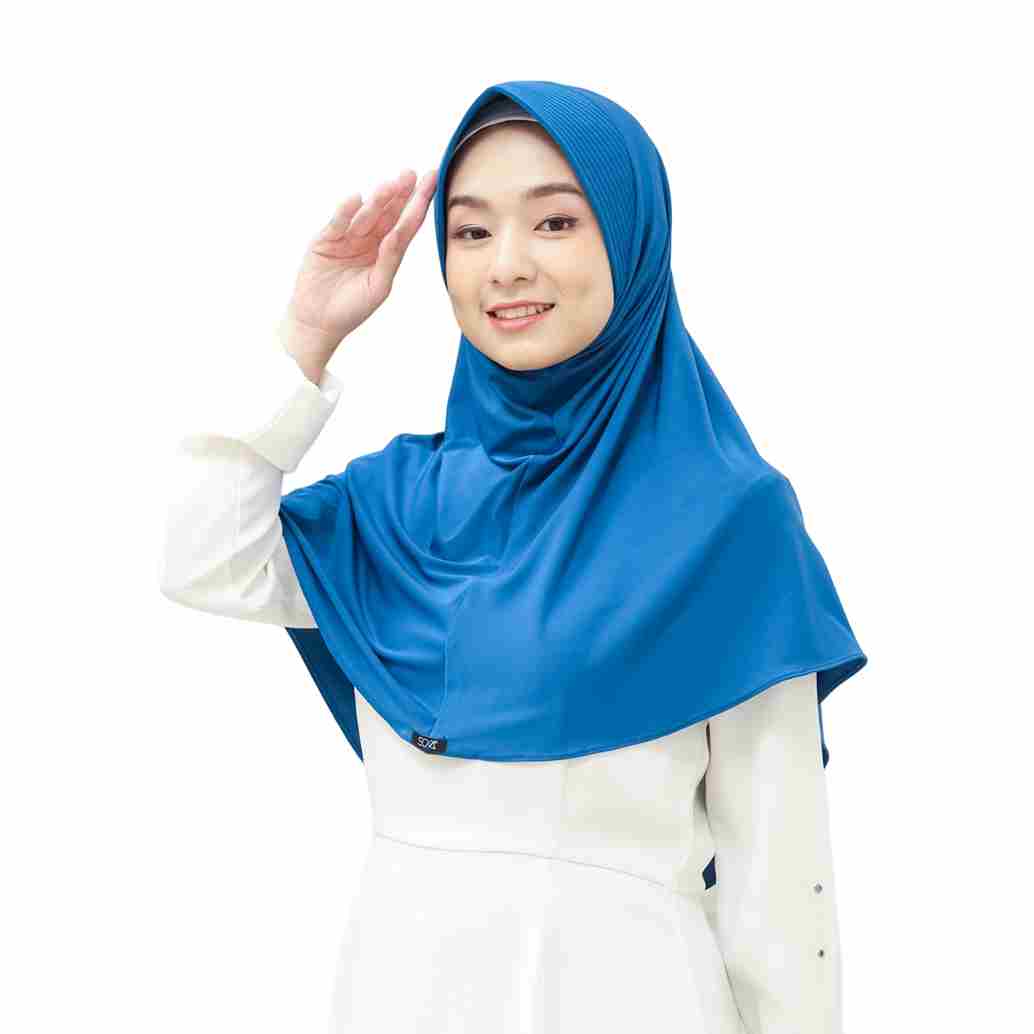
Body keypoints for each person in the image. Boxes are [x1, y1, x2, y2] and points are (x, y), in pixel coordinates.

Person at [160, 82, 867, 1033]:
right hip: (401, 999)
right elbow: (203, 558)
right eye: (472, 231)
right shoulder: (396, 506)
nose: (508, 265)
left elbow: (778, 887)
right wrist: (306, 337)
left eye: (556, 221)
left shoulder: (727, 520)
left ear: (634, 240)